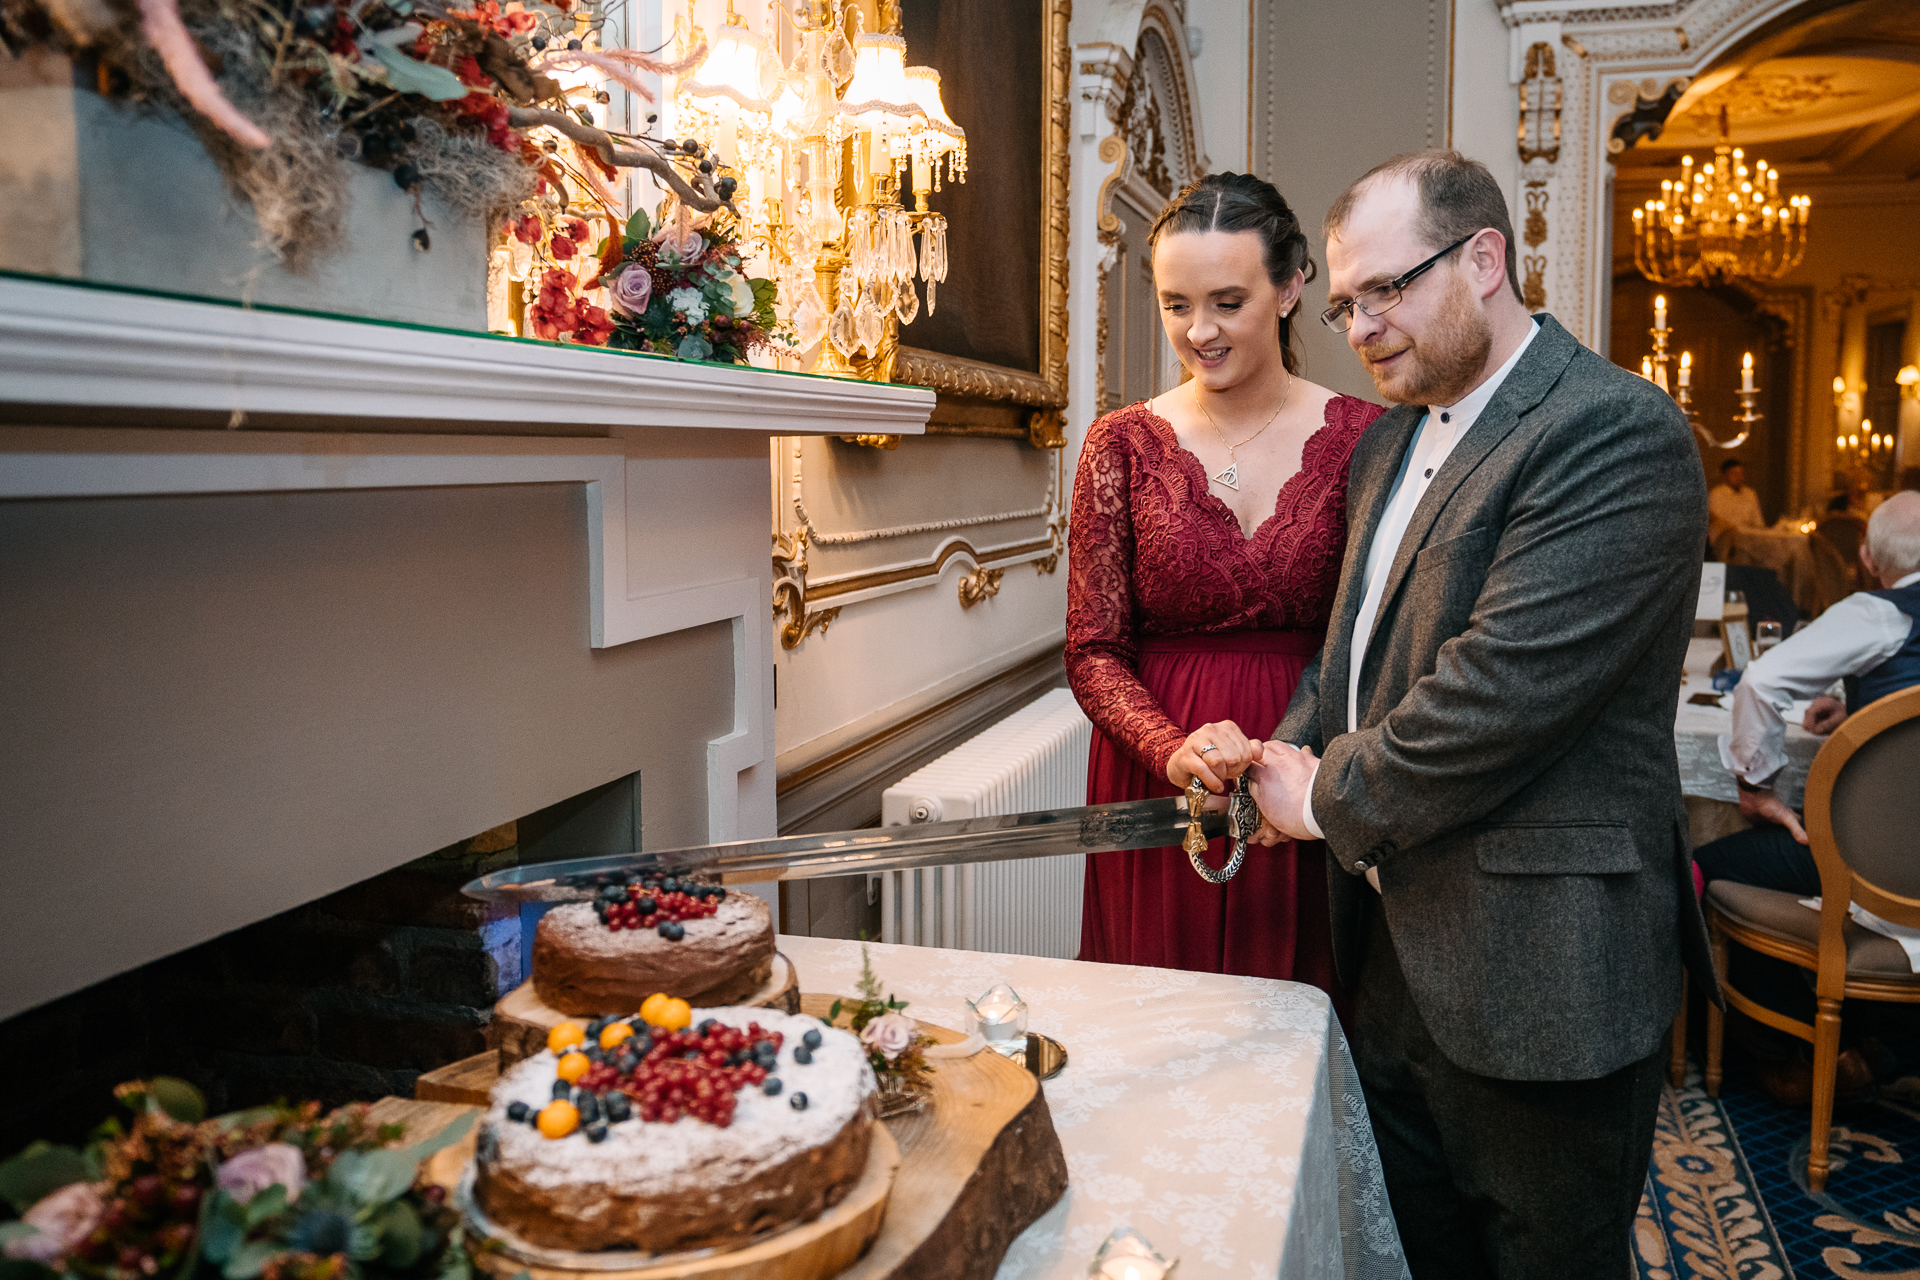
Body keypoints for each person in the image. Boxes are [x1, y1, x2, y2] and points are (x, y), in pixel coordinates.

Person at [1241, 151, 1715, 1278]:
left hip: (1542, 971)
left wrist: (1316, 796)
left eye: (1386, 290)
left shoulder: (1615, 429)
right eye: (1345, 302)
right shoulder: (1389, 441)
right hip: (1391, 943)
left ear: (1485, 258)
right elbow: (1351, 646)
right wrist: (1279, 741)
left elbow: (1501, 693)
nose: (1359, 325)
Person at [1064, 172, 1384, 996]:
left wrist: (1294, 761)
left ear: (1290, 288)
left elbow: (1375, 635)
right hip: (1156, 771)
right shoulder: (1120, 444)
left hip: (1305, 762)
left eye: (1227, 302)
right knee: (1159, 1016)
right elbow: (1094, 648)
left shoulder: (1370, 441)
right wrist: (1169, 750)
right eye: (1177, 305)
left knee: (1296, 1010)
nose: (1199, 331)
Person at [1695, 489, 1920, 1101]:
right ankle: (1891, 1041)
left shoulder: (1878, 616)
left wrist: (1755, 788)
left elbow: (1761, 683)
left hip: (1879, 870)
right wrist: (1859, 710)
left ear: (1869, 560)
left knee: (1706, 863)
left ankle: (1793, 1051)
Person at [1708, 458, 1765, 538]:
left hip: (1748, 538)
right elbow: (1717, 522)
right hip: (1725, 539)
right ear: (1724, 476)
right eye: (1734, 474)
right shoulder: (1716, 494)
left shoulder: (1750, 494)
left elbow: (1758, 522)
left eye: (1740, 474)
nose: (1739, 477)